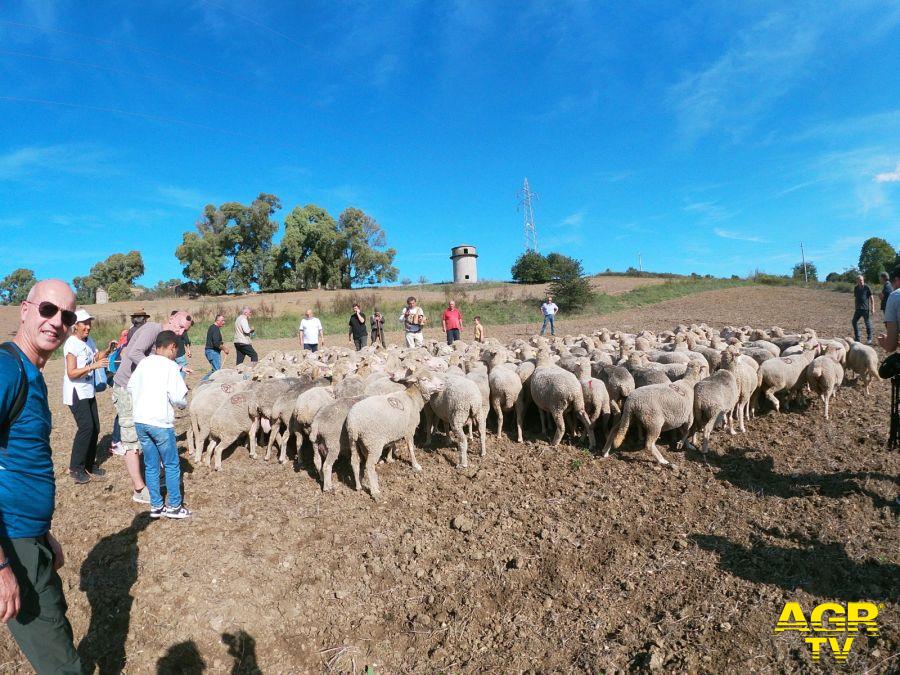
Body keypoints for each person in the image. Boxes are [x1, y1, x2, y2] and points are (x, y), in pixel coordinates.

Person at [0, 279, 81, 672]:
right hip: (10, 544)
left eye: (66, 315)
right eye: (48, 309)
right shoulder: (7, 369)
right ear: (26, 309)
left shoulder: (30, 373)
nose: (57, 322)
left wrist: (43, 533)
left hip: (29, 536)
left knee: (57, 626)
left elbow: (20, 461)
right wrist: (1, 567)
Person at [112, 310, 193, 504]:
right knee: (131, 440)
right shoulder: (152, 329)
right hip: (126, 388)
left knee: (147, 434)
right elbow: (133, 353)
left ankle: (156, 476)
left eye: (185, 330)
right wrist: (156, 370)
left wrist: (178, 368)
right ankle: (139, 489)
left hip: (141, 389)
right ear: (171, 319)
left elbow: (160, 361)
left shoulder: (165, 339)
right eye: (179, 326)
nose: (181, 332)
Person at [128, 330, 191, 519]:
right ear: (172, 347)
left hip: (141, 421)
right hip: (160, 423)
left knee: (151, 465)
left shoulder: (145, 362)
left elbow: (130, 387)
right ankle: (174, 506)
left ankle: (156, 505)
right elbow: (179, 397)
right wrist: (181, 403)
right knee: (171, 464)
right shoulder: (170, 367)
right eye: (176, 350)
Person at [63, 309, 114, 484]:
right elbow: (71, 373)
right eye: (84, 323)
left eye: (89, 323)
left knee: (95, 427)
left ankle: (89, 465)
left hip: (88, 390)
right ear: (75, 326)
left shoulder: (88, 341)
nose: (88, 327)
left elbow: (95, 357)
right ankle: (75, 468)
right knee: (86, 428)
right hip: (76, 392)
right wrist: (93, 367)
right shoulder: (71, 344)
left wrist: (107, 350)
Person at [878, 266, 900, 352]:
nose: (892, 287)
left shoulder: (895, 295)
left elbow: (890, 347)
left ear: (897, 279)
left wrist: (884, 342)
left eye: (893, 284)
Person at [203, 314, 229, 381]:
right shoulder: (215, 328)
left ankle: (202, 382)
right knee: (217, 371)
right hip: (212, 352)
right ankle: (203, 383)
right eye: (222, 320)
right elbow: (216, 343)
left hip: (210, 351)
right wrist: (224, 349)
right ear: (218, 321)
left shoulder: (212, 327)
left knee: (214, 370)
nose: (224, 322)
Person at [852, 275, 874, 344]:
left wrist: (873, 308)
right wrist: (855, 307)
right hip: (858, 309)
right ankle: (857, 338)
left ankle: (869, 338)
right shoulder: (856, 288)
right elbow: (856, 298)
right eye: (859, 280)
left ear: (863, 280)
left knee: (867, 323)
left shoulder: (867, 287)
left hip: (865, 309)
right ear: (857, 281)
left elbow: (871, 298)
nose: (861, 281)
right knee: (854, 321)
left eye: (862, 280)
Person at [170, 310, 192, 379]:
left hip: (170, 354)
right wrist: (188, 351)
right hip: (179, 354)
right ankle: (179, 384)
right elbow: (186, 340)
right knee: (183, 367)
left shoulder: (168, 328)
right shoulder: (182, 328)